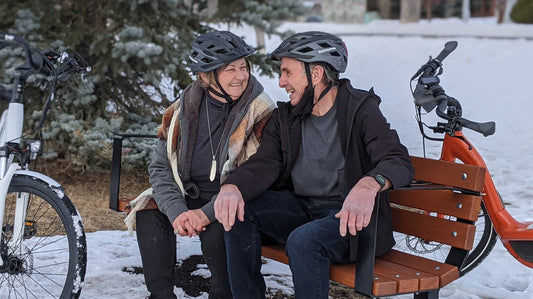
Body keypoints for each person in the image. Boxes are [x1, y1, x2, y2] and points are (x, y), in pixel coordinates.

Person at [214, 31, 415, 299]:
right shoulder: (286, 118)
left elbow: (397, 159)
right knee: (239, 212)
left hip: (351, 221)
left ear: (316, 74)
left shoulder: (360, 109)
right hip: (301, 210)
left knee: (304, 241)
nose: (281, 81)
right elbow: (264, 164)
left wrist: (370, 183)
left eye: (287, 72)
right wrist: (233, 188)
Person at [135, 30, 275, 299]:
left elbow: (257, 176)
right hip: (187, 194)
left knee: (220, 230)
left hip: (231, 200)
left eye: (244, 67)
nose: (241, 75)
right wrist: (177, 212)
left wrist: (206, 214)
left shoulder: (260, 110)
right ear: (205, 76)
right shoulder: (184, 107)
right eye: (230, 69)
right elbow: (161, 166)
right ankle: (160, 295)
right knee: (149, 212)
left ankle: (223, 295)